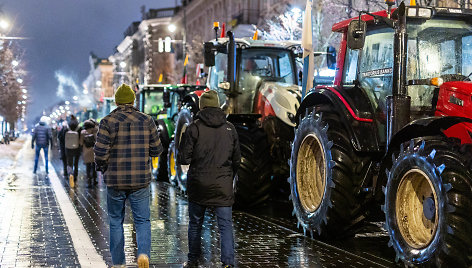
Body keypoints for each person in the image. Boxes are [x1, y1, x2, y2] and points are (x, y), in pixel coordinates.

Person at [94, 84, 163, 268]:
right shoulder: (147, 120)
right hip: (140, 180)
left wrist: (103, 169)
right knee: (142, 220)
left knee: (116, 220)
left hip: (115, 180)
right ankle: (143, 255)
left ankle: (118, 263)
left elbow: (100, 153)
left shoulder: (107, 121)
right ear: (133, 101)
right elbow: (157, 149)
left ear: (116, 102)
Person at [178, 90, 241, 268]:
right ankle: (228, 262)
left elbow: (183, 158)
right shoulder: (230, 128)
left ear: (201, 106)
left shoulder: (193, 128)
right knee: (225, 226)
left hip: (199, 184)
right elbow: (237, 160)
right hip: (223, 185)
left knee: (196, 224)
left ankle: (192, 260)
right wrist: (228, 177)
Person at [80, 119, 98, 187]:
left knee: (88, 167)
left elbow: (81, 143)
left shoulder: (83, 132)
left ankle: (89, 181)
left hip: (86, 151)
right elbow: (97, 140)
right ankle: (95, 180)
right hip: (93, 151)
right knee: (94, 166)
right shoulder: (94, 132)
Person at [65, 115, 81, 184]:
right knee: (76, 163)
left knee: (70, 162)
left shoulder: (67, 128)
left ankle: (70, 174)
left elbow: (62, 137)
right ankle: (75, 176)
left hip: (68, 148)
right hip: (77, 148)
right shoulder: (79, 128)